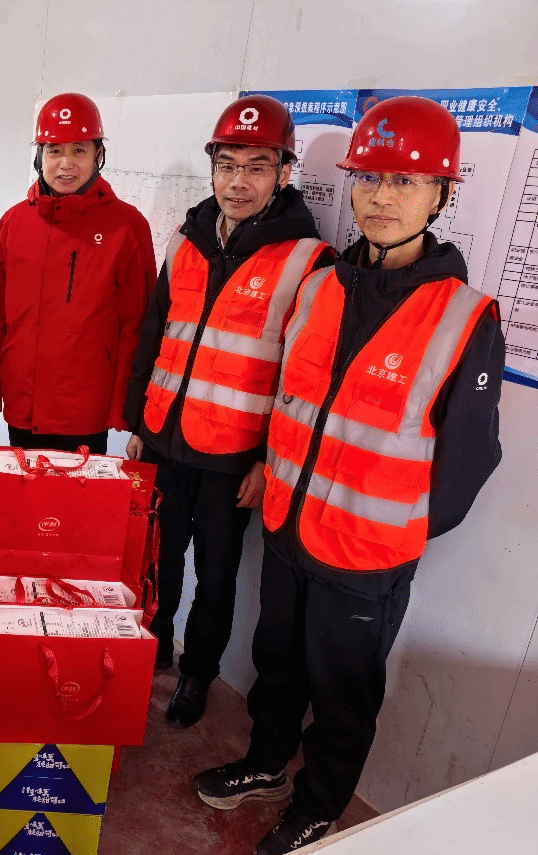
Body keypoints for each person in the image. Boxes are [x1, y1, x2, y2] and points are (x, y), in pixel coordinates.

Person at [192, 96, 504, 854]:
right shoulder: (321, 285)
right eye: (369, 178)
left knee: (343, 692)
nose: (382, 197)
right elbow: (290, 398)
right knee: (277, 665)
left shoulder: (465, 316)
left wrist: (390, 533)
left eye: (405, 181)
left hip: (367, 555)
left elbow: (467, 463)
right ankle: (266, 764)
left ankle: (319, 806)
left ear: (442, 194)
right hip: (289, 526)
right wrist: (277, 472)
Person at [123, 95, 333, 728]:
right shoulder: (186, 240)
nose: (238, 182)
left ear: (284, 173)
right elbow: (154, 333)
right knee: (156, 561)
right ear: (212, 168)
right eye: (227, 165)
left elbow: (303, 378)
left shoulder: (309, 260)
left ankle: (197, 675)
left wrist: (269, 461)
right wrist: (139, 422)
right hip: (165, 437)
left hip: (233, 456)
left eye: (257, 167)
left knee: (215, 579)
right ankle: (152, 649)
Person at [0, 92, 156, 454]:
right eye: (54, 151)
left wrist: (125, 410)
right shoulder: (14, 222)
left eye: (79, 150)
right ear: (39, 156)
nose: (65, 164)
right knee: (22, 488)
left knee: (79, 491)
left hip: (85, 407)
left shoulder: (127, 226)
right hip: (23, 402)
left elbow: (136, 326)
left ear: (98, 155)